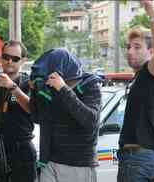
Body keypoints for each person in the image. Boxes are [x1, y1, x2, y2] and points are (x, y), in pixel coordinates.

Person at [29, 48, 102, 182]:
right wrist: (34, 92)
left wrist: (63, 89)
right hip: (49, 161)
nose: (49, 82)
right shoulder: (51, 88)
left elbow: (90, 120)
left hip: (77, 164)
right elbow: (37, 117)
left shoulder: (90, 85)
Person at [116, 0, 154, 182]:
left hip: (138, 158)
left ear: (151, 52)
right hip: (149, 157)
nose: (130, 51)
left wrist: (151, 11)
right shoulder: (140, 78)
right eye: (128, 47)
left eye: (137, 47)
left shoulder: (149, 72)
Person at [0, 40, 36, 182]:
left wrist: (13, 87)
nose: (9, 61)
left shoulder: (28, 84)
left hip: (22, 149)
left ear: (23, 61)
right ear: (1, 58)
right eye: (6, 57)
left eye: (15, 59)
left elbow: (32, 110)